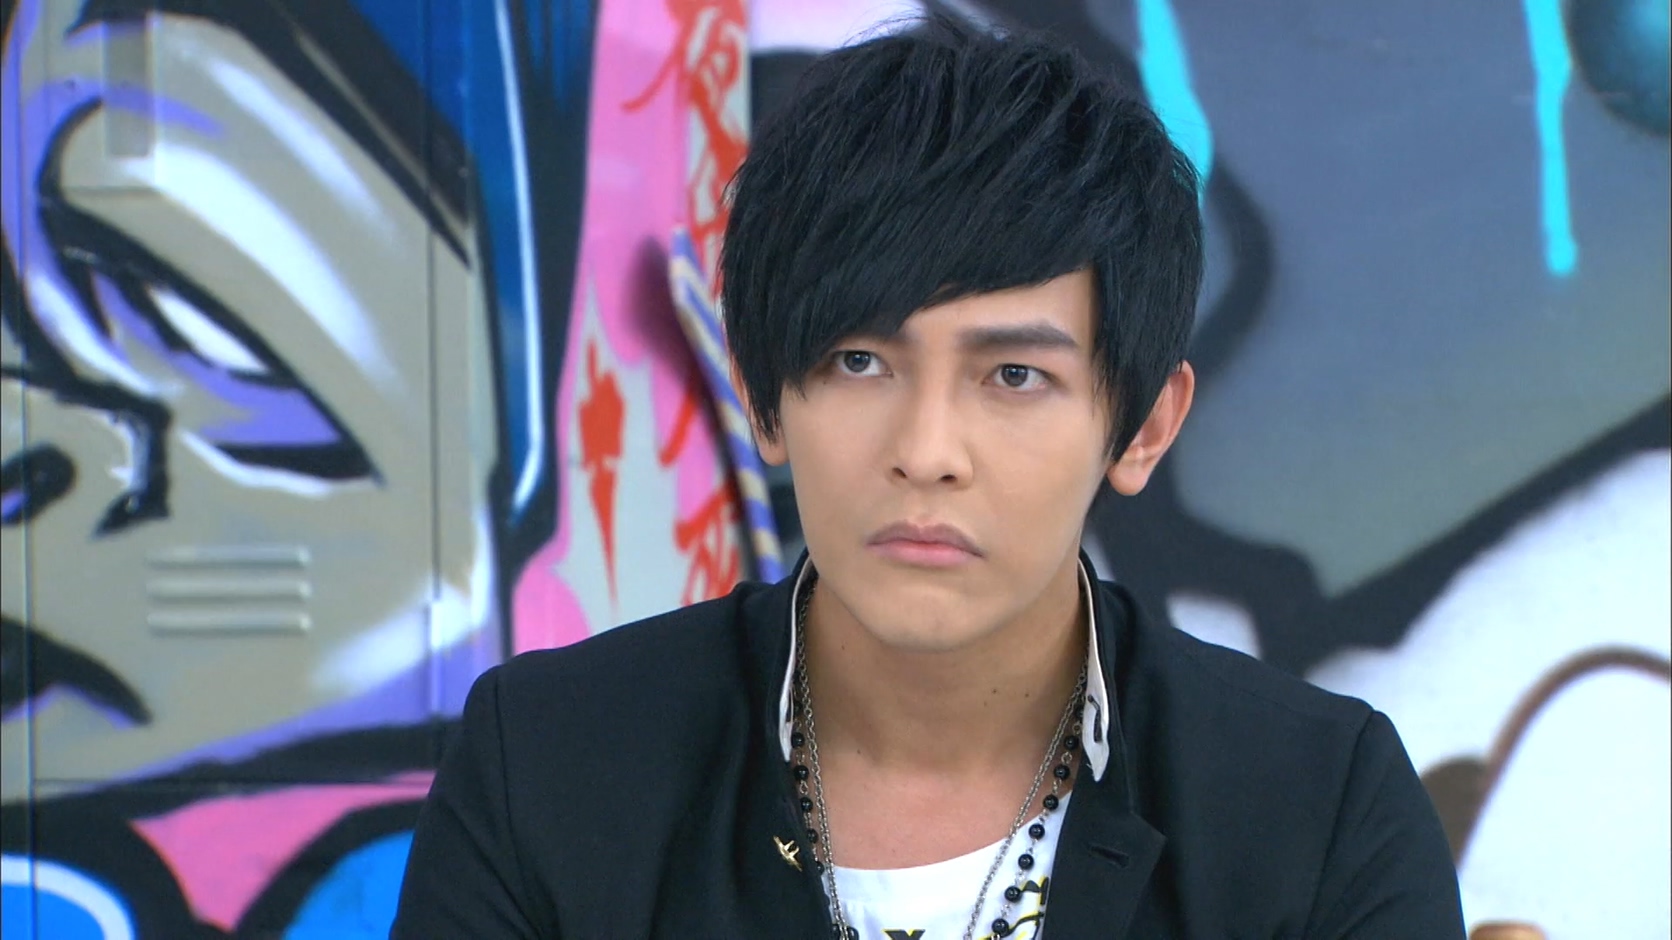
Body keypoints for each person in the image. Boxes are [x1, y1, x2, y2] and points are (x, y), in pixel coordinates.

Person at [392, 15, 1465, 939]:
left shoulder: (1317, 808)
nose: (927, 449)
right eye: (860, 362)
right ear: (763, 394)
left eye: (1014, 375)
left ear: (1142, 427)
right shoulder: (549, 766)